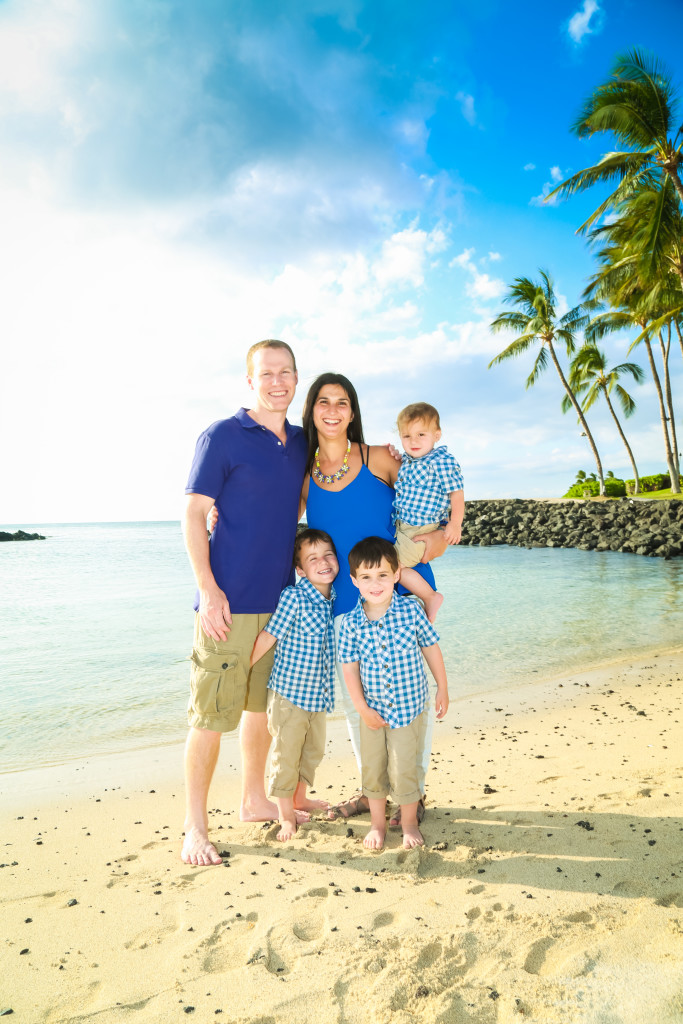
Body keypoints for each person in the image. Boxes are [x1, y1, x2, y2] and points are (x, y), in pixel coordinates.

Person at [181, 339, 308, 866]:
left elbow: (305, 494)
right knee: (210, 715)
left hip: (279, 602)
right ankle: (195, 827)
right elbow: (193, 515)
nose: (277, 381)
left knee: (259, 709)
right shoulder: (222, 436)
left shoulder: (301, 441)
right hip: (227, 604)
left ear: (296, 379)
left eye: (286, 372)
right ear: (250, 380)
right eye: (267, 373)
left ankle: (254, 800)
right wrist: (209, 590)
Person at [301, 372, 448, 823]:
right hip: (347, 603)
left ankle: (413, 793)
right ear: (311, 411)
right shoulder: (304, 476)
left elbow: (432, 504)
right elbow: (279, 527)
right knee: (359, 700)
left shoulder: (383, 457)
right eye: (323, 402)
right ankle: (372, 791)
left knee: (409, 694)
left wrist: (430, 547)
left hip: (400, 591)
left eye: (342, 402)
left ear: (353, 411)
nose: (332, 410)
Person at [338, 537, 449, 850]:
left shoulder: (411, 611)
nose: (376, 584)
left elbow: (430, 647)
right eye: (367, 577)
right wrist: (360, 708)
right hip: (371, 711)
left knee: (404, 767)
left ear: (397, 574)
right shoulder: (349, 623)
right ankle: (377, 824)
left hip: (407, 709)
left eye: (383, 575)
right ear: (354, 581)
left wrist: (442, 686)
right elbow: (349, 669)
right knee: (373, 767)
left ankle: (410, 822)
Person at [250, 529, 338, 841]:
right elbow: (269, 636)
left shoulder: (334, 599)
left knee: (312, 752)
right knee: (286, 756)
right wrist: (244, 669)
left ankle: (301, 797)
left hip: (319, 695)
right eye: (313, 559)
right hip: (289, 695)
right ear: (300, 570)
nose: (323, 562)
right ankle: (286, 815)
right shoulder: (295, 597)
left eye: (328, 555)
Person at [393, 402, 465, 622]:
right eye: (406, 436)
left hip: (422, 527)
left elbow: (457, 493)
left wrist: (455, 523)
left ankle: (430, 597)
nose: (413, 441)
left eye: (421, 434)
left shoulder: (440, 461)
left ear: (437, 435)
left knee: (393, 566)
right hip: (402, 525)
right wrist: (394, 453)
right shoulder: (408, 460)